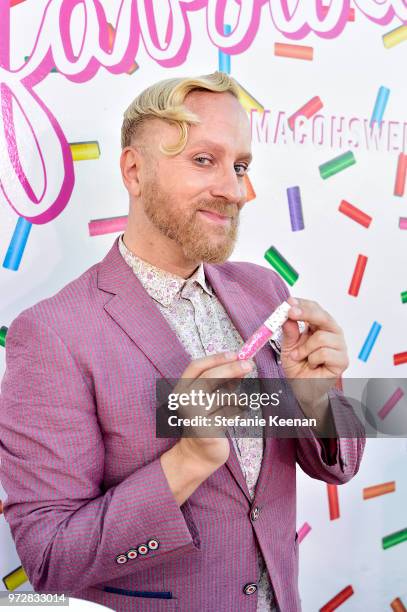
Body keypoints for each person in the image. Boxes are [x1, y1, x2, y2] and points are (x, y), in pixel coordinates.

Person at [0, 71, 365, 612]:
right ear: (134, 170)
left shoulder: (264, 290)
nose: (234, 189)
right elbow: (52, 558)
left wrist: (317, 402)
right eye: (203, 160)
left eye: (240, 166)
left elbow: (335, 464)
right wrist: (188, 459)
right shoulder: (53, 334)